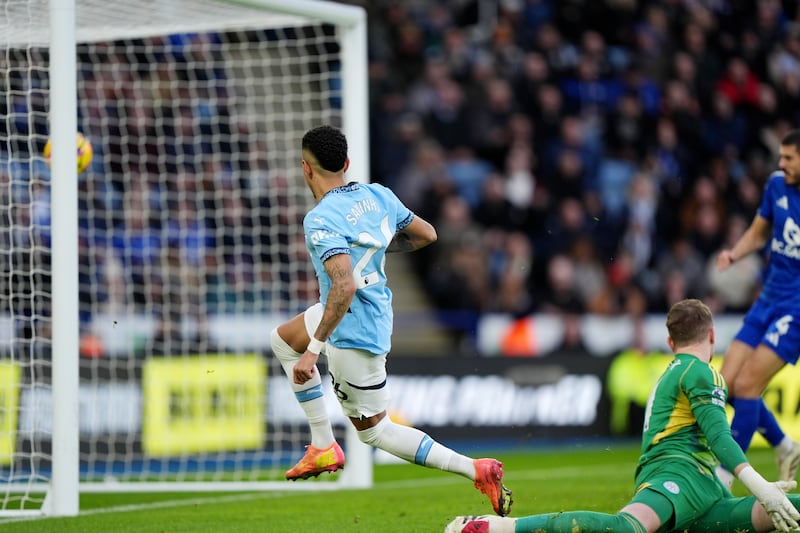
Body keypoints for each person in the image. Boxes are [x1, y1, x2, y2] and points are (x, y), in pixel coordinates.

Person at [270, 125, 512, 516]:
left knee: (375, 432)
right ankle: (321, 445)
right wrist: (376, 244)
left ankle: (475, 469)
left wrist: (313, 351)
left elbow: (344, 287)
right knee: (281, 340)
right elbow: (427, 234)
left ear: (305, 169)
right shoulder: (378, 194)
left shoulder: (320, 220)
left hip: (352, 329)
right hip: (370, 310)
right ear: (346, 164)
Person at [445, 299, 800, 533]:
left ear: (669, 341)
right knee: (628, 528)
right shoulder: (701, 372)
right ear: (711, 334)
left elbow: (729, 422)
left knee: (782, 511)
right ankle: (495, 528)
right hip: (677, 476)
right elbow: (721, 436)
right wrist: (761, 485)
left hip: (693, 481)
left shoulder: (676, 372)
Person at [715, 129, 800, 487]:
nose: (781, 164)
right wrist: (735, 253)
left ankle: (723, 480)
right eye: (780, 157)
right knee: (727, 385)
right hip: (767, 297)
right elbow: (760, 230)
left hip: (796, 308)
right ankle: (784, 446)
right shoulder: (777, 186)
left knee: (749, 386)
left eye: (789, 158)